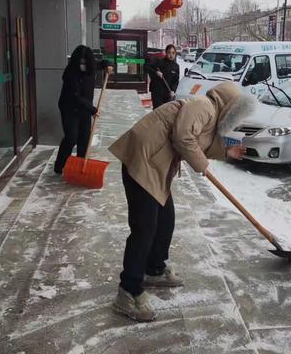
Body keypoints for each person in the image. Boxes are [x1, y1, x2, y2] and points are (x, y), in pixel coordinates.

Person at [109, 82, 256, 322]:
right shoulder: (204, 105)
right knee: (144, 228)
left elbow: (200, 140)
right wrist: (203, 166)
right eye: (236, 114)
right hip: (142, 161)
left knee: (166, 220)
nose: (235, 120)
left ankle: (154, 268)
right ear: (227, 107)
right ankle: (128, 290)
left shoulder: (209, 115)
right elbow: (183, 136)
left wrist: (226, 151)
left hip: (154, 166)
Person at [54, 45, 113, 174]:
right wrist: (93, 109)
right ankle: (59, 165)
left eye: (85, 62)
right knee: (71, 138)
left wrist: (108, 64)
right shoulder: (70, 73)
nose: (83, 65)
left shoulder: (91, 67)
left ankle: (80, 166)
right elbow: (75, 97)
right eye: (80, 62)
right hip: (69, 108)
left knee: (84, 139)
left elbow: (103, 62)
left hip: (84, 109)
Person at [145, 44, 180, 109]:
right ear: (166, 53)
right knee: (157, 111)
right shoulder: (159, 62)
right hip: (157, 92)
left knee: (165, 112)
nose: (171, 55)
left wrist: (173, 90)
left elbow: (176, 80)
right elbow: (147, 67)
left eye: (173, 53)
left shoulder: (176, 66)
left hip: (168, 93)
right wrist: (156, 72)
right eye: (169, 52)